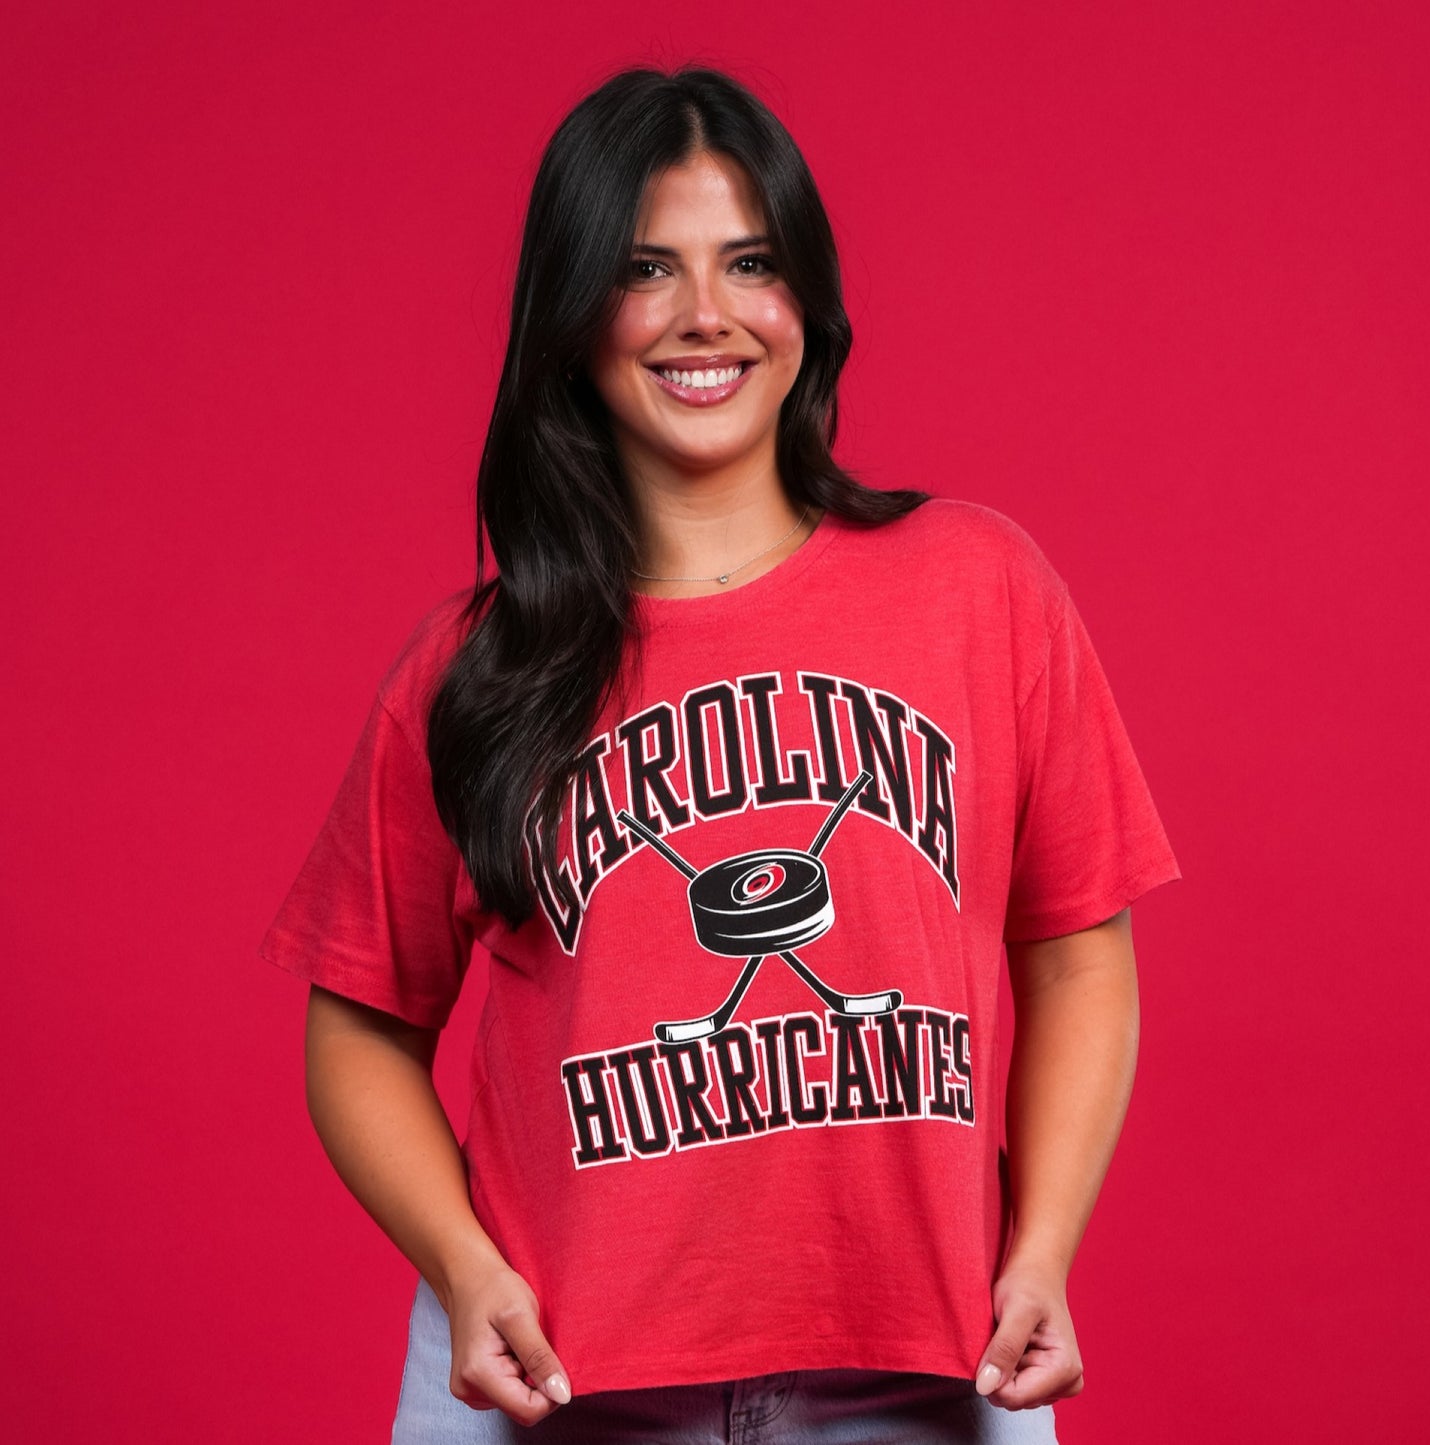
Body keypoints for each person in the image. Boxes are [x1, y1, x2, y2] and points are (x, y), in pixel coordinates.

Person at [260, 64, 1180, 1444]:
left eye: (751, 263)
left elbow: (1075, 954)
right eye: (646, 269)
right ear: (574, 314)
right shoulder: (473, 666)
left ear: (808, 298)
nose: (707, 314)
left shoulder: (978, 588)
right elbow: (359, 1026)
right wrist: (464, 1267)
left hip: (930, 1367)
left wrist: (1041, 1246)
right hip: (556, 1381)